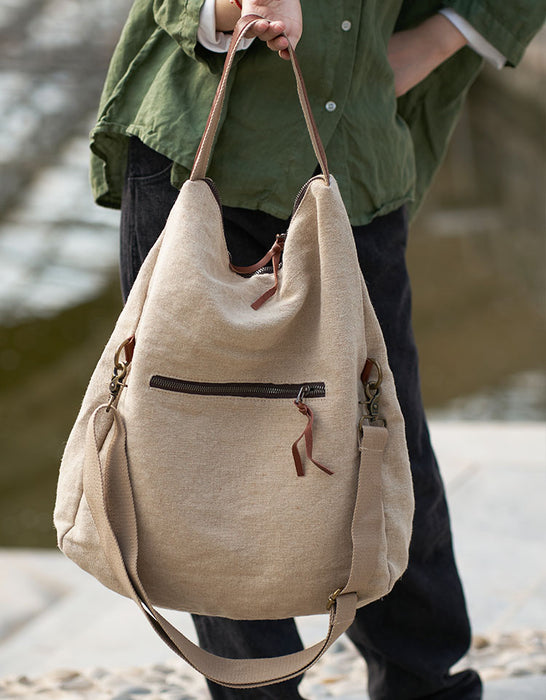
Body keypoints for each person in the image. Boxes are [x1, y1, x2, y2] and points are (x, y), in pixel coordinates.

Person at [89, 1, 545, 698]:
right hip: (199, 147)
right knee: (200, 450)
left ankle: (424, 684)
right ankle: (255, 691)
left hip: (355, 162)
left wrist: (434, 40)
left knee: (383, 440)